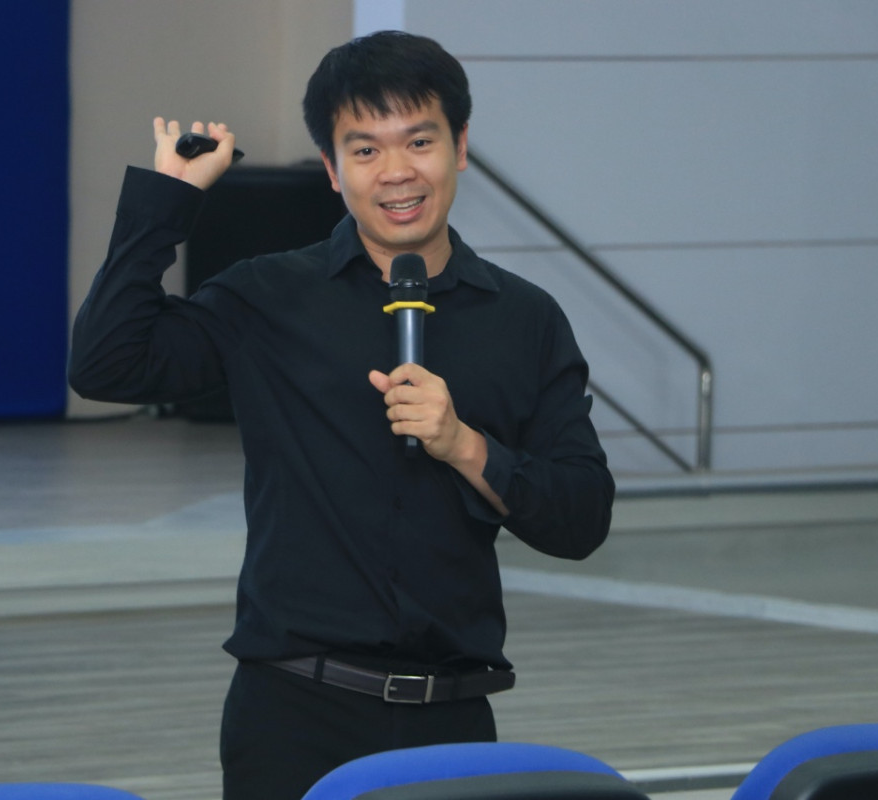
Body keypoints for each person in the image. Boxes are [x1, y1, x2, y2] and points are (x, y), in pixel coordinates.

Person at [69, 29, 614, 800]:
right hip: (293, 716)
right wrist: (170, 201)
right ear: (331, 168)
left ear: (459, 146)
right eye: (364, 150)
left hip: (453, 722)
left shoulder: (525, 319)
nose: (396, 172)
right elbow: (105, 365)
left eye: (419, 141)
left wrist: (464, 444)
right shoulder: (268, 297)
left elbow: (582, 519)